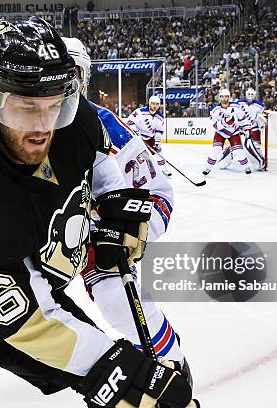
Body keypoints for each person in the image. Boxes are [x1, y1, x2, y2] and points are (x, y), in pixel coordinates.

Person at [0, 18, 195, 408]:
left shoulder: (76, 122)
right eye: (27, 107)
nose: (44, 126)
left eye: (55, 104)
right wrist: (117, 371)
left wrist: (116, 210)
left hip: (37, 286)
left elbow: (101, 167)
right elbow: (30, 322)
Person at [63, 36, 188, 365]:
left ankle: (169, 360)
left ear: (83, 78)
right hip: (66, 221)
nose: (64, 82)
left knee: (115, 298)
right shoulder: (30, 118)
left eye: (72, 73)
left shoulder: (101, 125)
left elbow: (151, 192)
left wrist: (126, 227)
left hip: (121, 219)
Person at [203, 88, 252, 175]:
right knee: (216, 149)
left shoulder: (236, 107)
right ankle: (208, 167)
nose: (224, 99)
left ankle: (246, 167)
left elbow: (243, 119)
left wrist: (247, 129)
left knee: (238, 151)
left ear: (229, 97)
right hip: (220, 133)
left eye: (226, 97)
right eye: (222, 97)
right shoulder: (215, 110)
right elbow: (214, 124)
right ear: (219, 97)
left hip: (234, 132)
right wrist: (225, 123)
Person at [219, 87, 265, 170]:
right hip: (241, 129)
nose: (250, 96)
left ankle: (260, 163)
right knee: (234, 146)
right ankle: (223, 161)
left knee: (256, 146)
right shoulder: (239, 103)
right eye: (249, 94)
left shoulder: (259, 105)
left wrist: (261, 122)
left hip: (254, 129)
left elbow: (263, 116)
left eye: (252, 94)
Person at [127, 95, 173, 177]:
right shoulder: (140, 112)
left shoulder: (160, 117)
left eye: (157, 104)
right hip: (138, 137)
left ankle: (163, 169)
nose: (155, 106)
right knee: (137, 155)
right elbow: (130, 121)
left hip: (150, 138)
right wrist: (136, 132)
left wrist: (157, 139)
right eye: (153, 103)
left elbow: (159, 130)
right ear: (149, 104)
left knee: (159, 153)